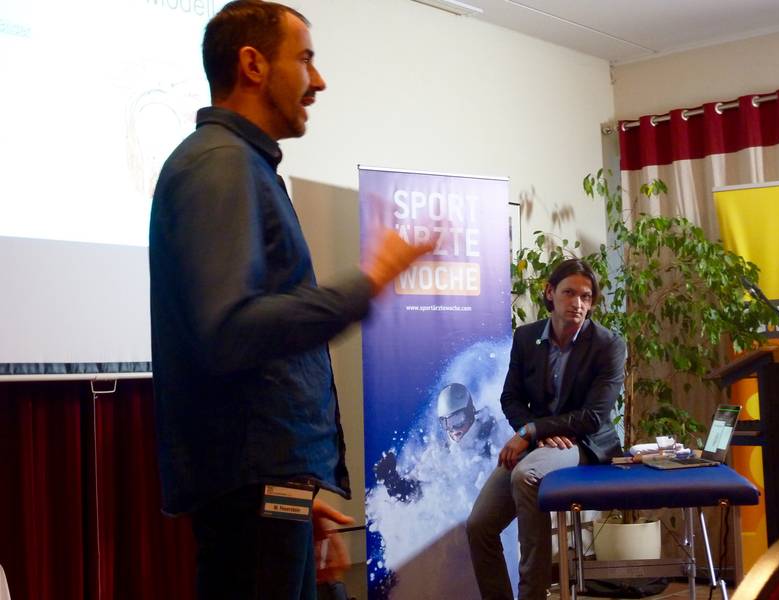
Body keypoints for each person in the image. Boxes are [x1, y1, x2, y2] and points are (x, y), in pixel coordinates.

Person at [148, 2, 433, 599]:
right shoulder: (220, 165)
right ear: (253, 65)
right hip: (254, 484)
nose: (319, 80)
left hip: (270, 486)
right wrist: (368, 281)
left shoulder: (240, 165)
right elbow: (229, 331)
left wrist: (296, 494)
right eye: (305, 59)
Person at [466, 258, 625, 600]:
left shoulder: (608, 344)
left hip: (585, 443)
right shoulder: (526, 337)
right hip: (539, 443)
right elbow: (511, 397)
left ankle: (533, 594)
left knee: (526, 476)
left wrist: (531, 432)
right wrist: (534, 432)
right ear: (550, 293)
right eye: (569, 293)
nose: (578, 303)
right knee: (479, 526)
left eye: (586, 296)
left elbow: (593, 416)